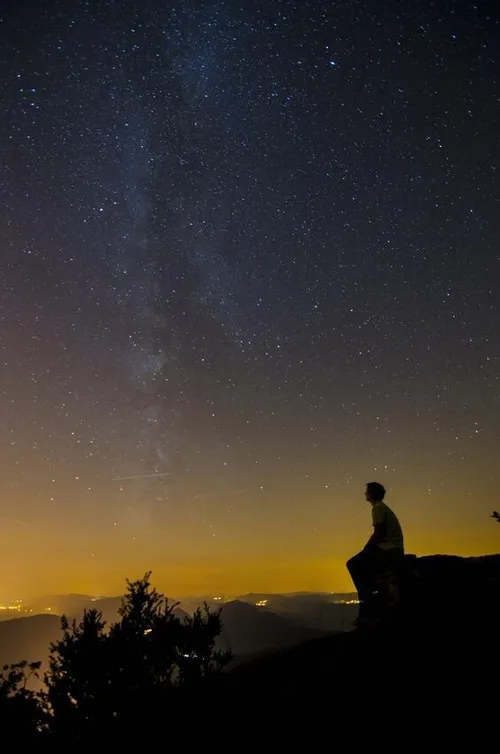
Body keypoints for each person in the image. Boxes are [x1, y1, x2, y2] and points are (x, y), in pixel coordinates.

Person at [346, 482, 404, 622]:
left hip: (389, 548)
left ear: (372, 494)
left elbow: (378, 533)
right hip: (392, 547)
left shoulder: (378, 509)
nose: (365, 494)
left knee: (353, 564)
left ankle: (367, 605)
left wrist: (367, 548)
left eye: (367, 491)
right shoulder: (383, 508)